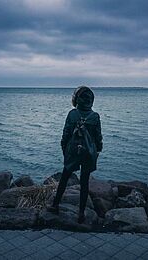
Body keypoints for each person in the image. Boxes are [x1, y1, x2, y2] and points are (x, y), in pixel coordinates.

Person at [48, 86, 103, 224]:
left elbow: (65, 135)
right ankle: (81, 213)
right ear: (91, 100)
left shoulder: (72, 114)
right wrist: (97, 151)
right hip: (88, 153)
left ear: (77, 99)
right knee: (84, 183)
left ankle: (55, 205)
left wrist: (64, 150)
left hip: (73, 151)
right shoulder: (95, 116)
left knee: (64, 178)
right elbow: (98, 138)